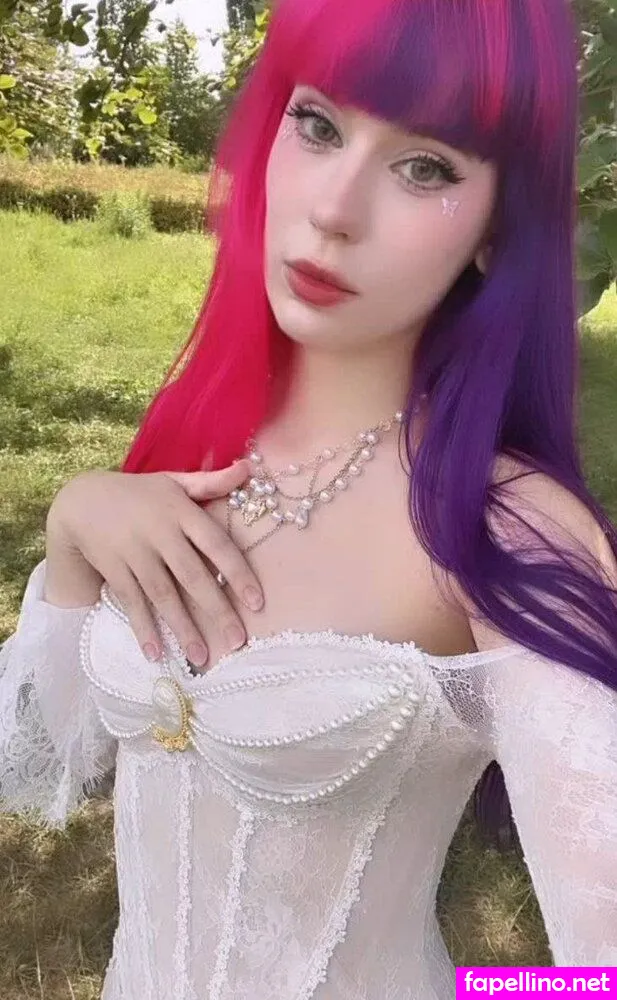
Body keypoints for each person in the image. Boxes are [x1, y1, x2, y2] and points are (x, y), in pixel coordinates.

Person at [1, 0, 617, 995]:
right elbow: (39, 765)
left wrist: (478, 990)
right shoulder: (199, 445)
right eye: (318, 123)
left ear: (498, 227)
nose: (333, 209)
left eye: (425, 168)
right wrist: (73, 528)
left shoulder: (506, 531)